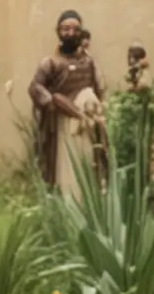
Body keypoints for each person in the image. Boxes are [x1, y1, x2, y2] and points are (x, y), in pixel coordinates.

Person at [28, 10, 107, 194]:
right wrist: (53, 104)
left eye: (75, 29)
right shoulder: (50, 63)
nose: (70, 33)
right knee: (65, 170)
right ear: (58, 31)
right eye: (66, 29)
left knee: (88, 165)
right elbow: (35, 87)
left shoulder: (88, 62)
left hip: (85, 123)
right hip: (61, 124)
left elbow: (97, 89)